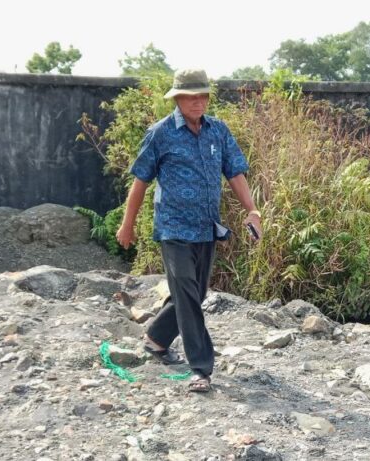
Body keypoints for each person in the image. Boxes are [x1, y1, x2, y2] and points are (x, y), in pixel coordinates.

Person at [115, 68, 262, 393]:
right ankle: (201, 368)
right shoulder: (161, 133)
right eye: (191, 97)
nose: (198, 102)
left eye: (202, 96)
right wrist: (127, 224)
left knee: (195, 293)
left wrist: (252, 210)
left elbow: (235, 172)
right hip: (173, 228)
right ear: (178, 99)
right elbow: (140, 181)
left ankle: (156, 338)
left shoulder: (218, 131)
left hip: (206, 228)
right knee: (186, 293)